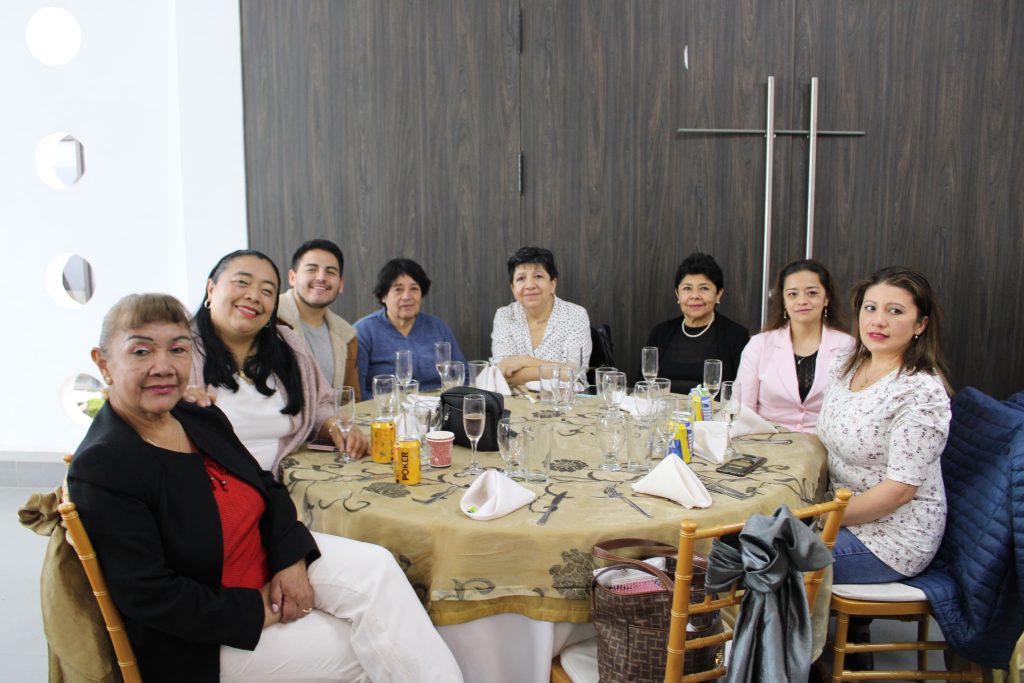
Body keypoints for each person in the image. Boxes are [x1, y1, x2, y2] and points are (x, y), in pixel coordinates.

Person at [68, 293, 464, 682]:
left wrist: (289, 559)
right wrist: (261, 607)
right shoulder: (105, 464)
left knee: (378, 570)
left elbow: (265, 486)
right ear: (103, 363)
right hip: (202, 636)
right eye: (141, 352)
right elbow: (150, 596)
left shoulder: (196, 416)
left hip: (263, 563)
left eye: (178, 349)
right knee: (373, 647)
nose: (163, 367)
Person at [817, 266, 951, 584]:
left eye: (895, 311)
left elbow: (899, 491)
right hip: (840, 511)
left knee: (768, 559)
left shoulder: (919, 392)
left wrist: (821, 518)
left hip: (891, 539)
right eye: (870, 308)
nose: (878, 321)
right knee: (744, 536)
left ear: (920, 324)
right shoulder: (847, 364)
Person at [190, 249, 367, 474]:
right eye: (242, 282)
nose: (254, 296)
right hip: (213, 487)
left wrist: (335, 426)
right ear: (211, 289)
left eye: (267, 290)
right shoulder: (180, 351)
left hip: (279, 484)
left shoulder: (287, 343)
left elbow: (317, 403)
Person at [736, 259, 854, 432]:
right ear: (783, 301)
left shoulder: (848, 346)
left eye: (812, 293)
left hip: (825, 443)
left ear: (826, 298)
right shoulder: (759, 345)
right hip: (768, 440)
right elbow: (743, 409)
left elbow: (851, 411)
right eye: (792, 294)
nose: (802, 301)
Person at [354, 258, 466, 397]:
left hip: (437, 405)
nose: (407, 296)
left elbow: (462, 374)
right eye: (398, 290)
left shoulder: (438, 327)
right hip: (387, 407)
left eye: (414, 289)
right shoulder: (364, 332)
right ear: (383, 296)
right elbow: (357, 390)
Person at [643, 252, 749, 393]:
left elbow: (739, 393)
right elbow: (643, 386)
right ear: (677, 294)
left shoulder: (736, 335)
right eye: (687, 288)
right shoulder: (660, 333)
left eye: (704, 288)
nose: (695, 296)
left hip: (712, 407)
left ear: (718, 294)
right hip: (663, 406)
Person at [490, 246, 592, 385]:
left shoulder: (575, 315)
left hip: (563, 398)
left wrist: (524, 361)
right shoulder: (504, 316)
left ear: (552, 283)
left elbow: (573, 373)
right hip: (517, 398)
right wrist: (558, 370)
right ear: (513, 288)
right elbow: (502, 374)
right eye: (521, 278)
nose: (529, 285)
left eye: (538, 276)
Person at [276, 238, 361, 399]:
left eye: (330, 272)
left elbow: (349, 399)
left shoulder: (347, 335)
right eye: (311, 269)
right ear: (292, 277)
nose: (321, 277)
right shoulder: (267, 319)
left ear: (341, 284)